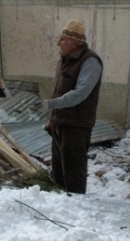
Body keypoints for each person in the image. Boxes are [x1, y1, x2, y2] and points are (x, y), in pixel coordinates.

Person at [40, 20, 103, 194]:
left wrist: (51, 104)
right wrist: (53, 118)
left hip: (76, 126)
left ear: (74, 43)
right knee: (59, 172)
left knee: (74, 173)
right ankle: (61, 206)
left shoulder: (90, 62)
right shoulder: (66, 60)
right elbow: (59, 90)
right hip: (61, 123)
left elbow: (80, 94)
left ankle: (76, 207)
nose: (59, 43)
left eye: (63, 39)